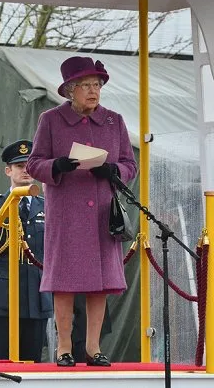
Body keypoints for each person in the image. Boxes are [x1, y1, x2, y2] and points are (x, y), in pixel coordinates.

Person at [26, 56, 137, 367]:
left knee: (99, 283)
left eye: (97, 85)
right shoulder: (50, 120)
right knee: (64, 282)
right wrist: (56, 166)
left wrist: (114, 170)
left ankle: (92, 347)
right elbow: (34, 163)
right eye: (86, 85)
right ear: (69, 90)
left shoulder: (115, 121)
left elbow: (131, 165)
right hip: (67, 214)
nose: (93, 91)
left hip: (103, 213)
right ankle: (63, 347)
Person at [0, 140, 53, 362]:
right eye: (19, 166)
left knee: (34, 367)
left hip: (37, 300)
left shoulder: (46, 206)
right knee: (3, 366)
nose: (26, 170)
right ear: (8, 171)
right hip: (3, 301)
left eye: (29, 165)